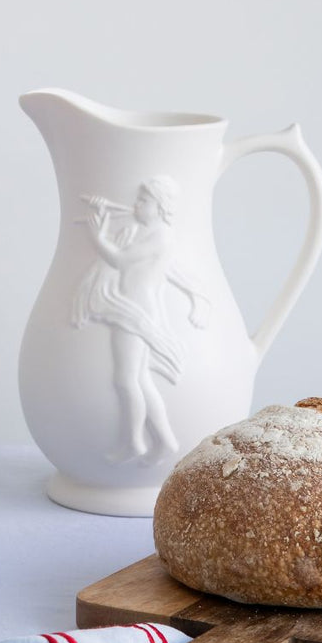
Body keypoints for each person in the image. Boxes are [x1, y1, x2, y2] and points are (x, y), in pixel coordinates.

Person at [73, 176, 210, 466]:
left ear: (161, 206)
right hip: (135, 307)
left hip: (135, 310)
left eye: (143, 200)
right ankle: (164, 441)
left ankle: (134, 441)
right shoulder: (145, 232)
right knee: (139, 379)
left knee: (124, 379)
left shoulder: (161, 235)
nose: (136, 204)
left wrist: (98, 236)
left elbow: (121, 261)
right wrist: (102, 219)